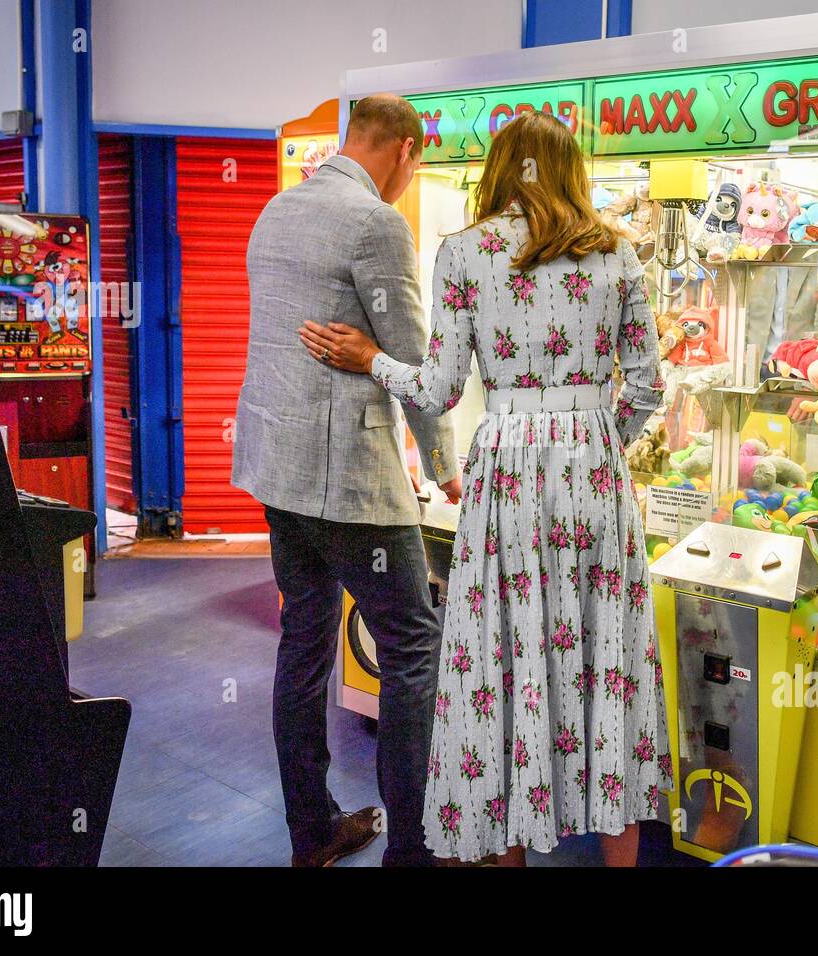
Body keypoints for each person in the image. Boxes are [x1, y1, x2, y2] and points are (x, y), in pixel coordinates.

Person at [300, 110, 673, 866]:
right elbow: (648, 389)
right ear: (572, 171)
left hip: (506, 470)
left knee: (501, 668)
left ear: (502, 169)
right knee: (607, 663)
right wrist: (599, 440)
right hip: (594, 474)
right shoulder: (618, 257)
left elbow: (437, 390)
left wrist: (372, 357)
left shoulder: (466, 254)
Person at [232, 94, 462, 867]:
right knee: (411, 643)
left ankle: (314, 831)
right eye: (418, 159)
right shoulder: (376, 224)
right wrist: (445, 466)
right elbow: (411, 357)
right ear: (403, 148)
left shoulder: (279, 208)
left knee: (305, 639)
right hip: (346, 481)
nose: (412, 173)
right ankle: (415, 851)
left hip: (278, 467)